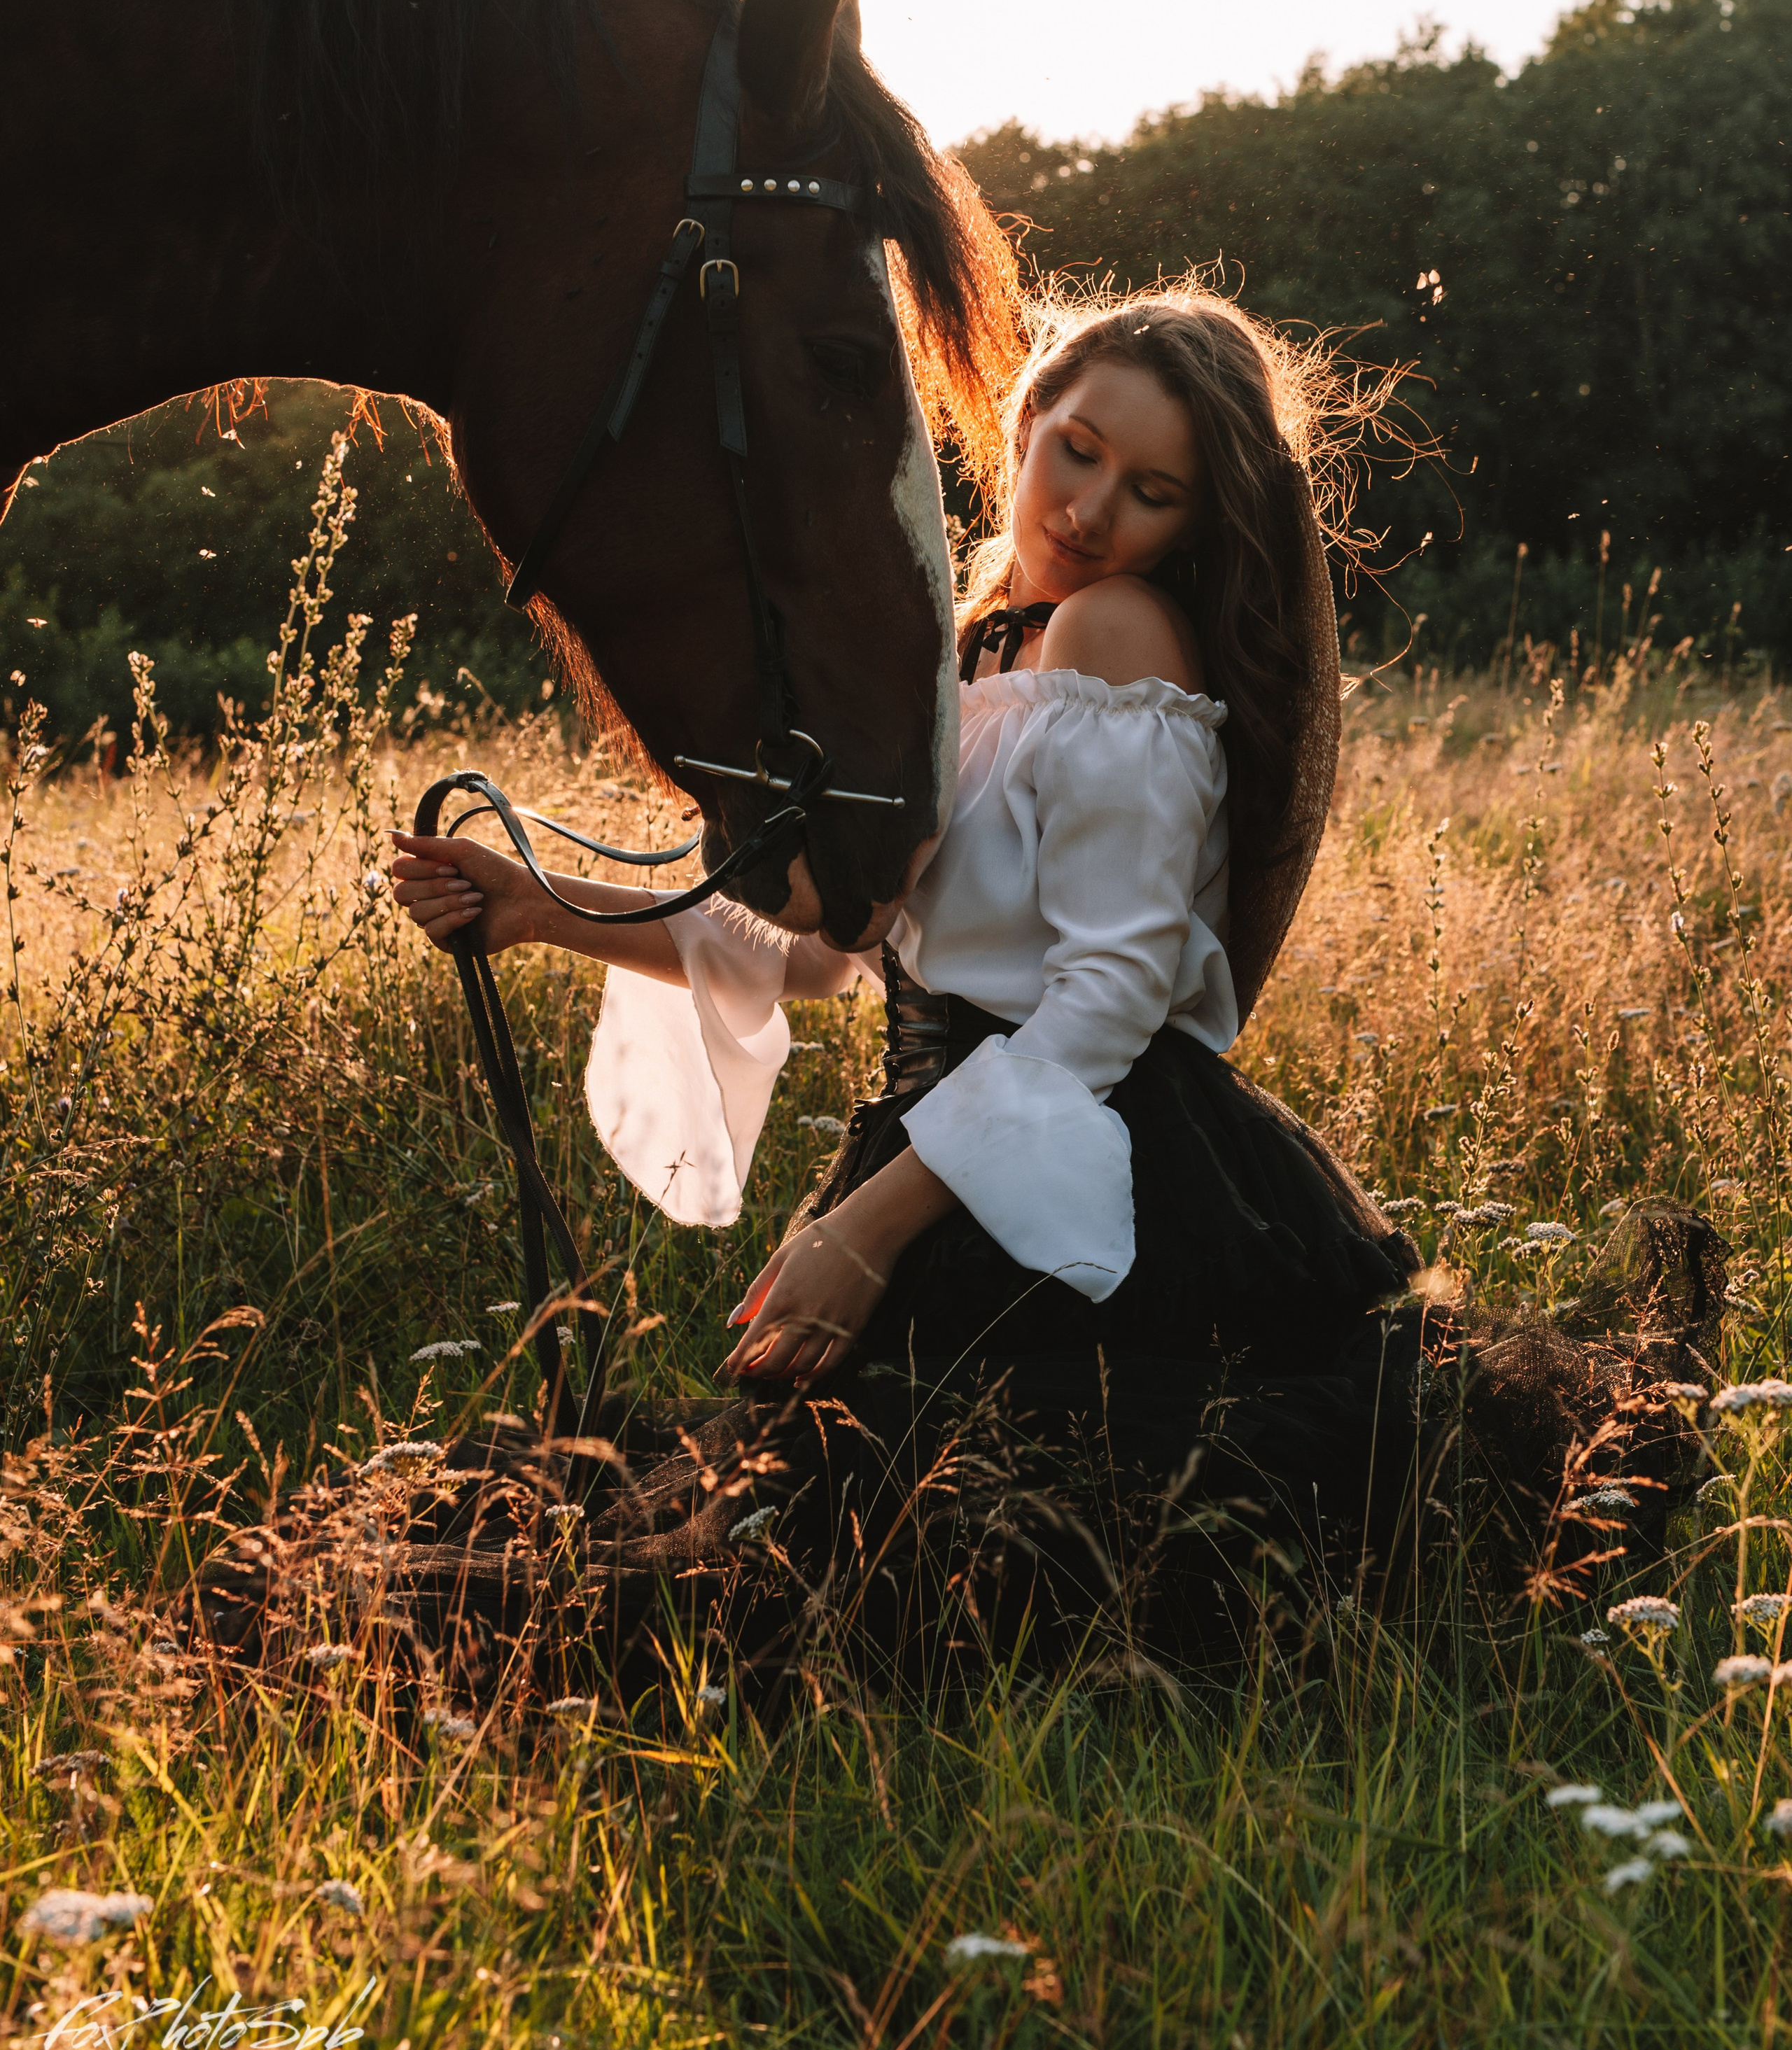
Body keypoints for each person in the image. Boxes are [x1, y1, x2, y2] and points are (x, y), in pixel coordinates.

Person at [389, 290, 1712, 1683]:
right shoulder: (970, 652)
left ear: (1190, 529)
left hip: (1086, 1146)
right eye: (1074, 451)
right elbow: (827, 955)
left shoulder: (1114, 638)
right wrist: (543, 906)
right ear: (1022, 421)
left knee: (944, 1559)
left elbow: (1107, 996)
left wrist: (870, 1230)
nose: (1088, 512)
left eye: (1149, 493)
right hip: (953, 1143)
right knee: (826, 1535)